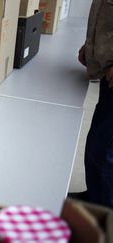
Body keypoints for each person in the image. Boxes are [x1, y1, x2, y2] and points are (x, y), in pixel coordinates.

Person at [76, 0, 113, 208]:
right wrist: (91, 47)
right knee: (97, 143)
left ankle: (104, 215)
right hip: (107, 72)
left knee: (104, 151)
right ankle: (95, 198)